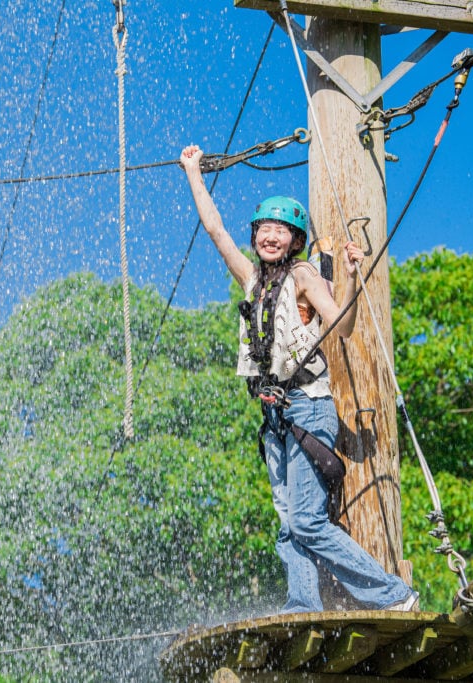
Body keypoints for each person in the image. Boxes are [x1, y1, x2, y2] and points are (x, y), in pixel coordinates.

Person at [179, 145, 417, 614]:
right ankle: (303, 605)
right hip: (275, 417)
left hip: (307, 406)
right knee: (289, 524)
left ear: (295, 240)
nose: (270, 236)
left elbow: (342, 327)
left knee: (307, 520)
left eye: (281, 230)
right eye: (263, 229)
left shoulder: (304, 275)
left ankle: (393, 594)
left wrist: (350, 276)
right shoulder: (252, 279)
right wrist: (193, 172)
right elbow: (215, 230)